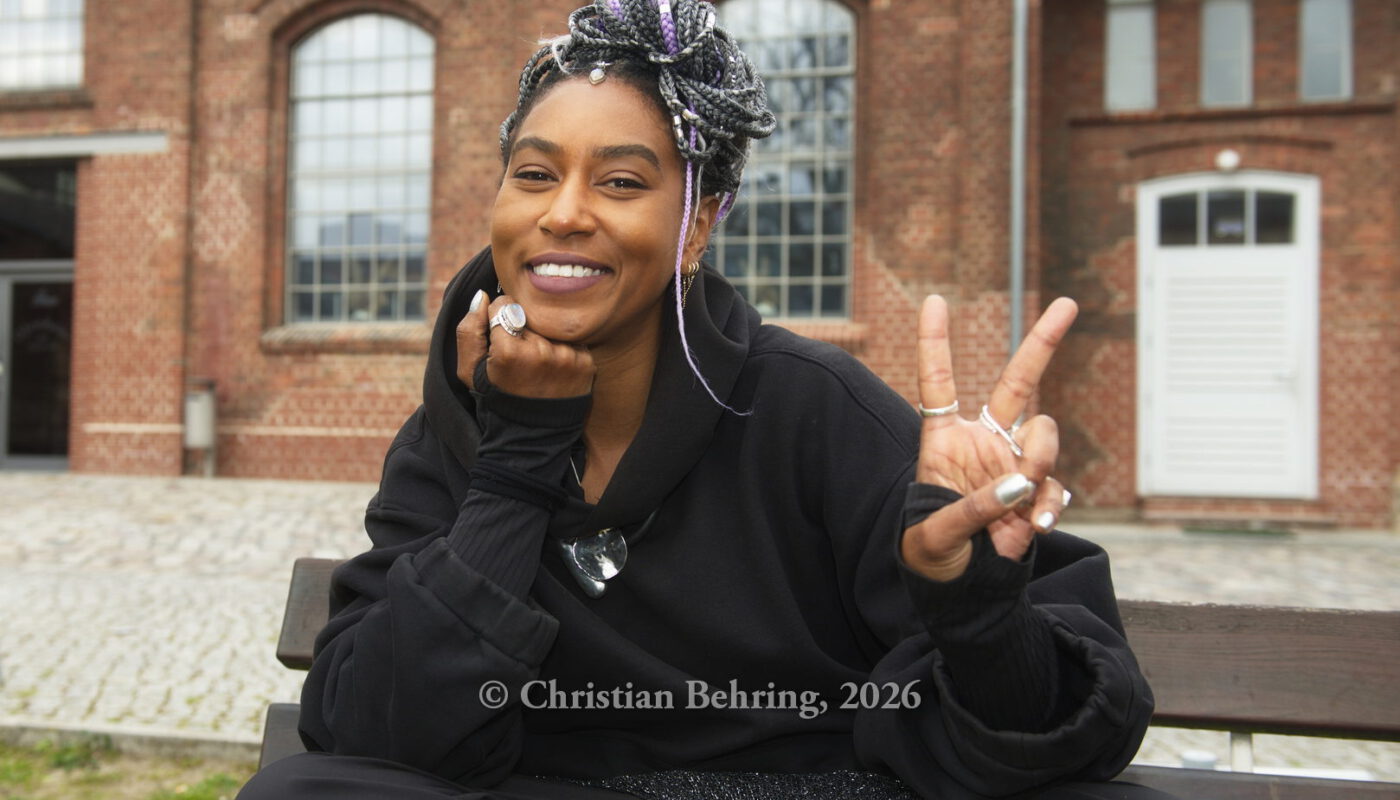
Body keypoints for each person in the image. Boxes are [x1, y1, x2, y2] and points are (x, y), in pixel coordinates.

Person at [239, 2, 1168, 798]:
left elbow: (1071, 725)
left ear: (698, 224)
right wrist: (516, 462)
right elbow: (373, 726)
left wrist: (977, 616)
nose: (563, 212)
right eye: (533, 173)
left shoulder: (814, 410)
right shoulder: (455, 421)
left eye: (621, 181)